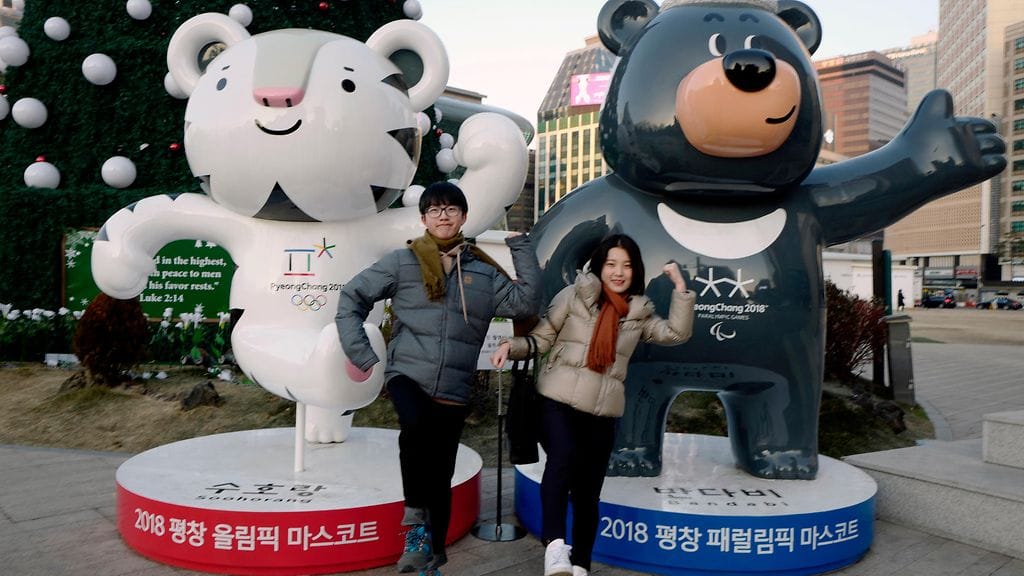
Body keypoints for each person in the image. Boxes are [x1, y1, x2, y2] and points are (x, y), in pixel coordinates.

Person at [336, 182, 541, 576]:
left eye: (451, 209)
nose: (443, 215)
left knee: (441, 469)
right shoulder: (402, 262)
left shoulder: (483, 271)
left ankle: (434, 554)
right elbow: (351, 298)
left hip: (454, 383)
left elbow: (525, 302)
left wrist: (521, 248)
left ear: (463, 217)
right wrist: (362, 353)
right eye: (435, 210)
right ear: (424, 218)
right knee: (413, 429)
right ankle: (414, 526)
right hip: (408, 372)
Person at [490, 234, 696, 576]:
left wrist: (680, 288)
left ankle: (581, 565)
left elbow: (676, 333)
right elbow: (543, 336)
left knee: (587, 492)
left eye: (627, 265)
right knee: (562, 459)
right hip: (558, 399)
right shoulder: (574, 296)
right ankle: (556, 547)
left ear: (635, 271)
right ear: (599, 266)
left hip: (603, 412)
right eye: (611, 263)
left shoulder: (639, 313)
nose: (618, 272)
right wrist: (511, 346)